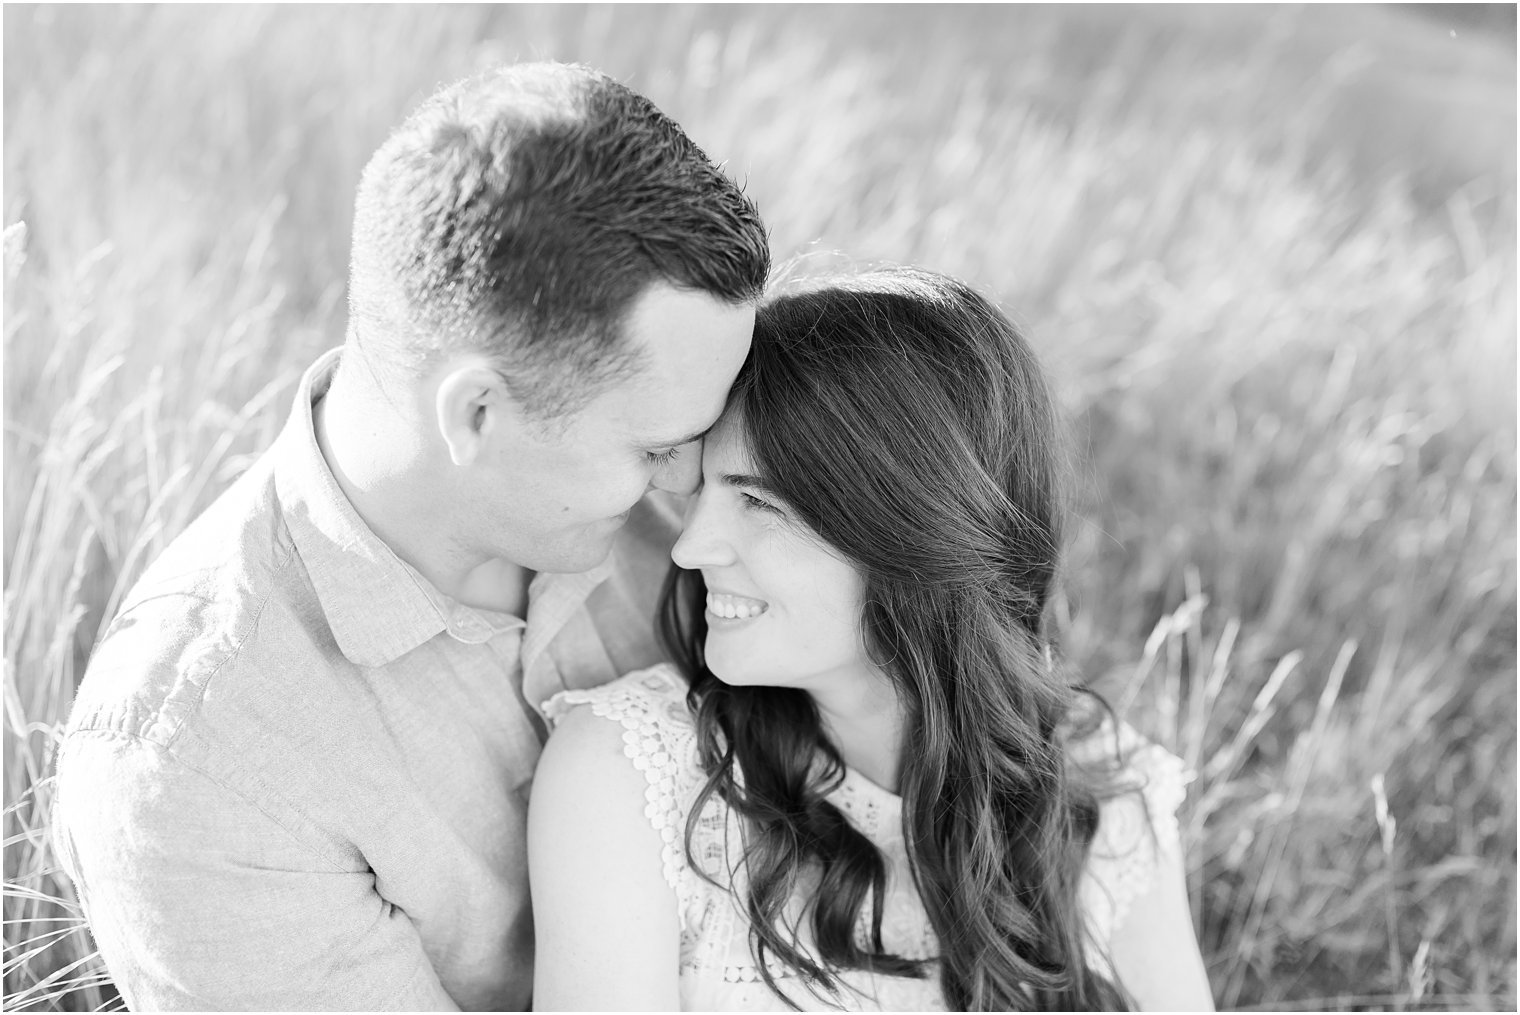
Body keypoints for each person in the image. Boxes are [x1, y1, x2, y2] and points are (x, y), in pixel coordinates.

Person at [51, 62, 768, 1011]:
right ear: (476, 413)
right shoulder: (200, 763)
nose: (692, 489)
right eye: (653, 447)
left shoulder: (687, 509)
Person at [528, 267, 1217, 1011]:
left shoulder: (1101, 796)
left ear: (907, 536)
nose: (690, 548)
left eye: (758, 501)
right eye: (704, 493)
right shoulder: (632, 774)